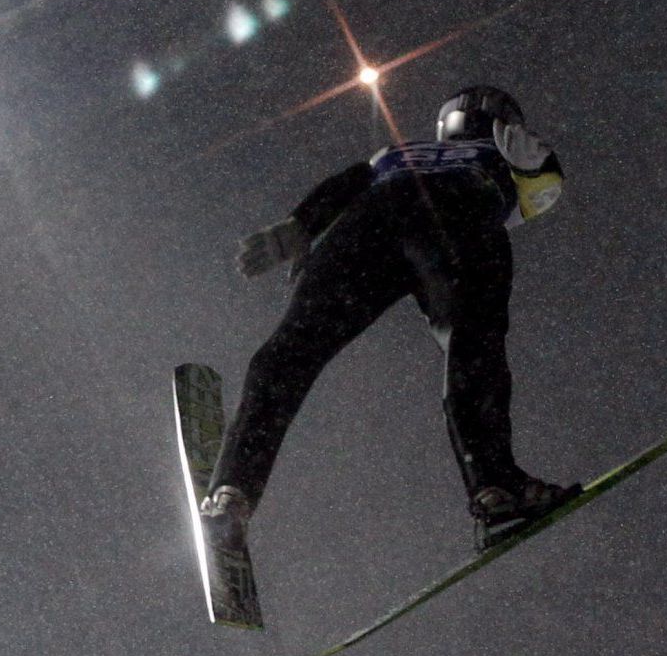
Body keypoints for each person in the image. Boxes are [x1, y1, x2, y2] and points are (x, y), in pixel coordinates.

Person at [201, 85, 579, 554]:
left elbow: (349, 181)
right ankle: (494, 485)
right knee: (472, 345)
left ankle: (232, 493)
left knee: (294, 349)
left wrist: (302, 225)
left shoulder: (401, 152)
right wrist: (515, 152)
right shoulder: (499, 147)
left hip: (377, 215)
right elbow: (544, 182)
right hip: (458, 212)